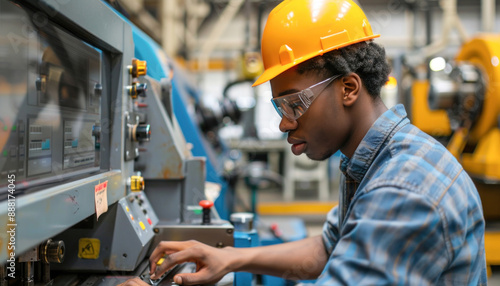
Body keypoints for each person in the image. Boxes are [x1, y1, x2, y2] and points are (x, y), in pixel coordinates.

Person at [120, 0, 487, 285]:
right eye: (280, 106)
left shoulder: (404, 187)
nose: (284, 123)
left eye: (294, 104)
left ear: (348, 88)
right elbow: (329, 248)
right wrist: (230, 257)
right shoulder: (374, 162)